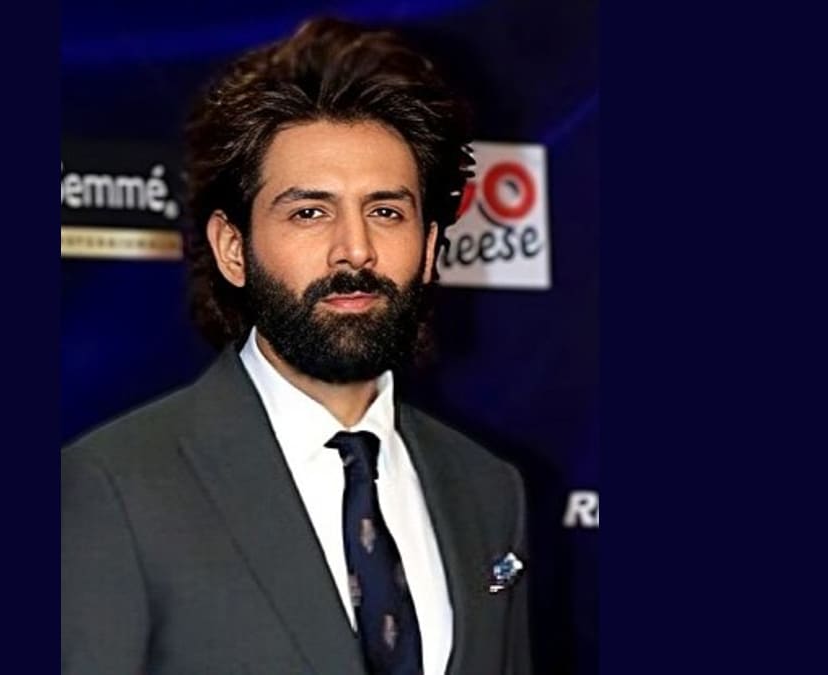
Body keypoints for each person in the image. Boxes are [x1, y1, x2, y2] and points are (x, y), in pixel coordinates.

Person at [62, 17, 531, 675]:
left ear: (429, 248)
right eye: (310, 212)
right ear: (233, 249)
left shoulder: (488, 490)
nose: (355, 249)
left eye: (386, 211)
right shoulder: (113, 488)